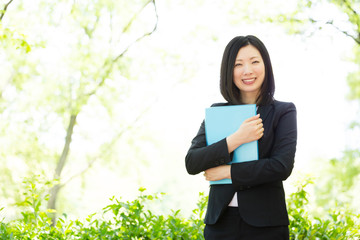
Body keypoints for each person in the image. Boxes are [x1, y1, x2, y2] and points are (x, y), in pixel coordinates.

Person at [185, 35, 297, 240]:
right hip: (220, 224)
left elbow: (281, 166)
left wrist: (228, 172)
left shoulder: (283, 111)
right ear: (229, 70)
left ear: (266, 65)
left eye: (255, 62)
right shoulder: (216, 112)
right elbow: (192, 162)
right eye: (238, 64)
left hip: (267, 225)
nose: (248, 70)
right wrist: (236, 139)